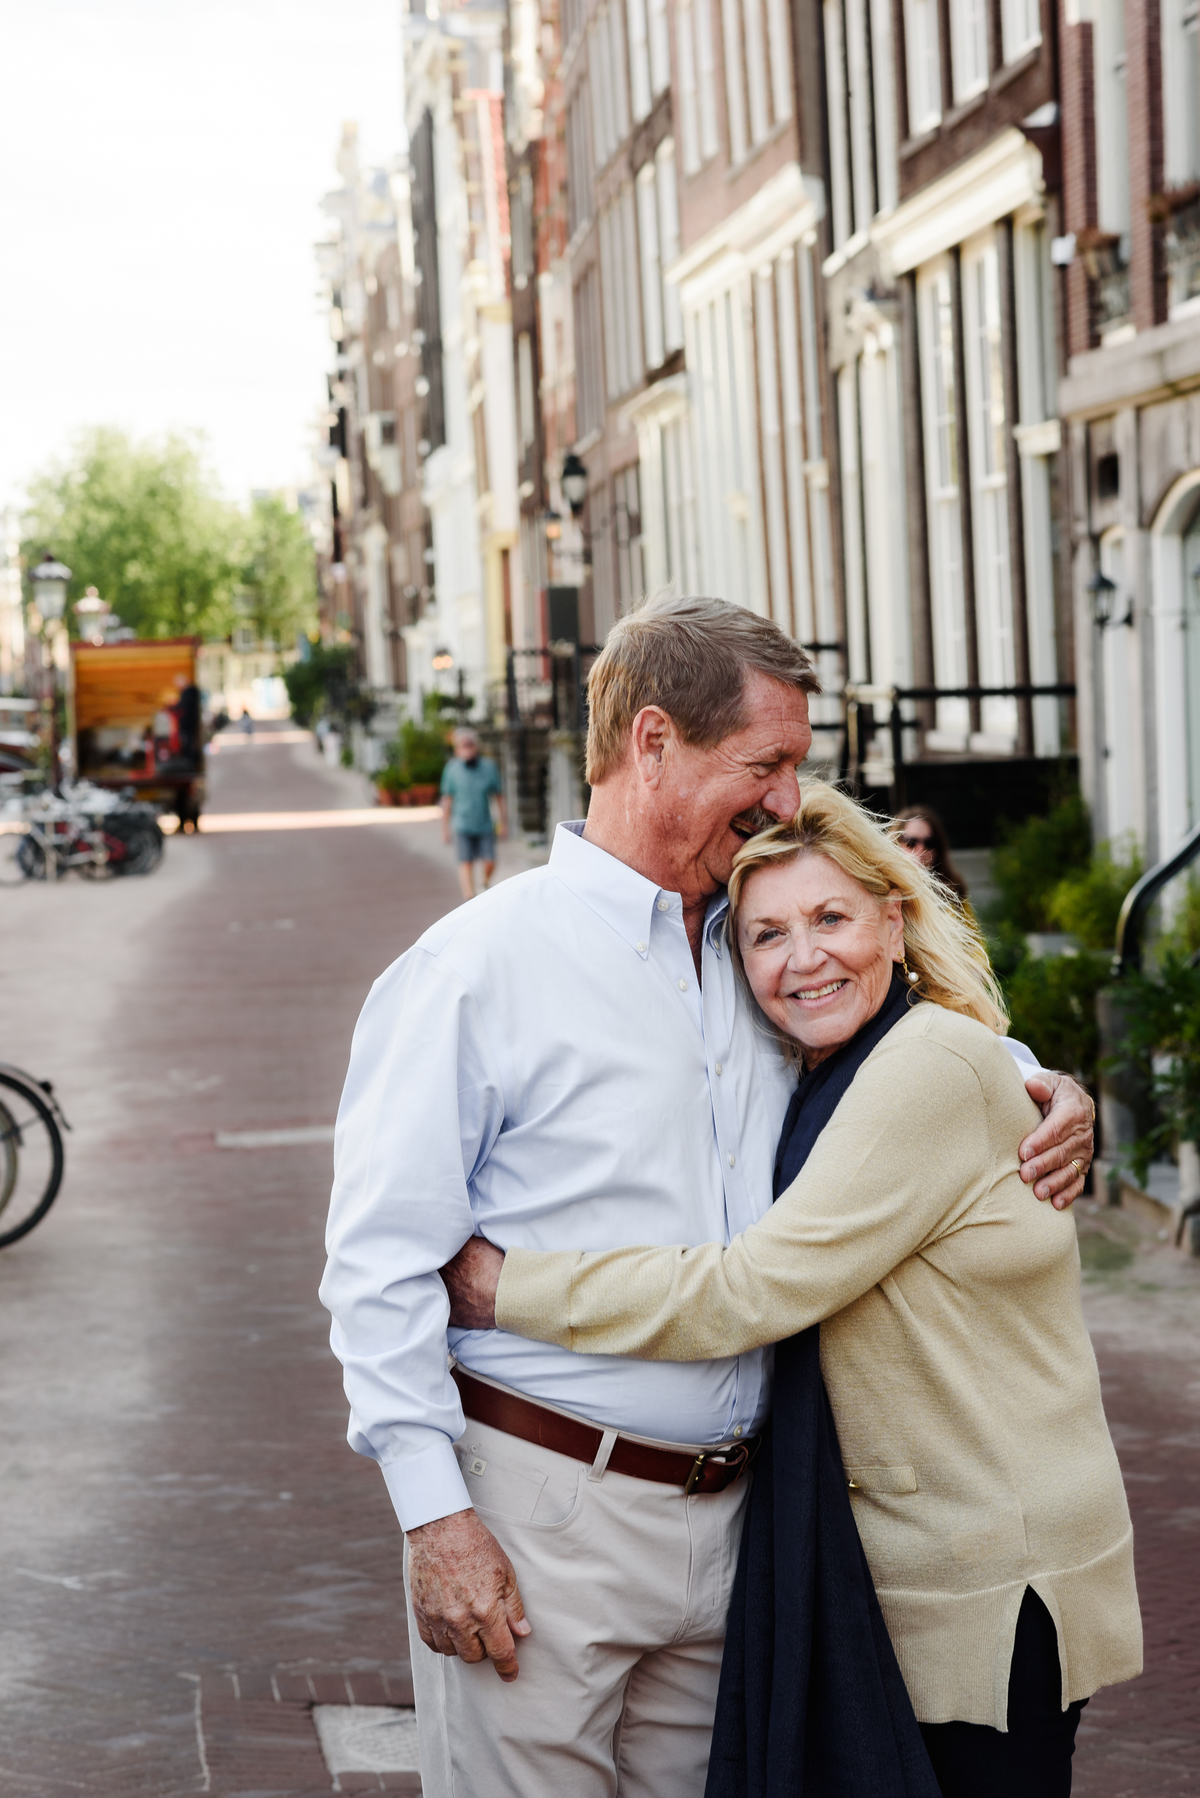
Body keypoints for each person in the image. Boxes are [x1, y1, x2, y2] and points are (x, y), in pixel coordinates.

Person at [320, 595, 1095, 1798]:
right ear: (652, 744)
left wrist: (1036, 1082)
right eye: (768, 763)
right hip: (540, 1513)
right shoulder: (472, 970)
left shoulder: (756, 940)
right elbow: (376, 1270)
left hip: (744, 1525)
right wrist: (436, 1520)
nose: (789, 797)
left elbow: (901, 1043)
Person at [445, 782, 1139, 1797]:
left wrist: (506, 1287)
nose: (802, 957)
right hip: (923, 1554)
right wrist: (1046, 1077)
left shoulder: (921, 1067)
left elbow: (748, 1291)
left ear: (894, 921)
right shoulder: (836, 1059)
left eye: (830, 918)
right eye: (766, 935)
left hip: (986, 1569)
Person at [440, 727, 507, 899]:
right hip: (462, 824)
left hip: (484, 823)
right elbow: (447, 800)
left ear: (476, 746)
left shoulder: (489, 767)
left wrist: (503, 823)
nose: (467, 748)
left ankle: (483, 884)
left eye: (470, 745)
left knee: (490, 861)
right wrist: (445, 829)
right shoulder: (452, 769)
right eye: (463, 745)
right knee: (465, 862)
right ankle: (469, 897)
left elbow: (498, 796)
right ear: (457, 749)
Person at [895, 804, 968, 901]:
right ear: (896, 843)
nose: (921, 850)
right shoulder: (884, 890)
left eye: (929, 843)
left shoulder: (954, 890)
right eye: (911, 842)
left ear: (938, 849)